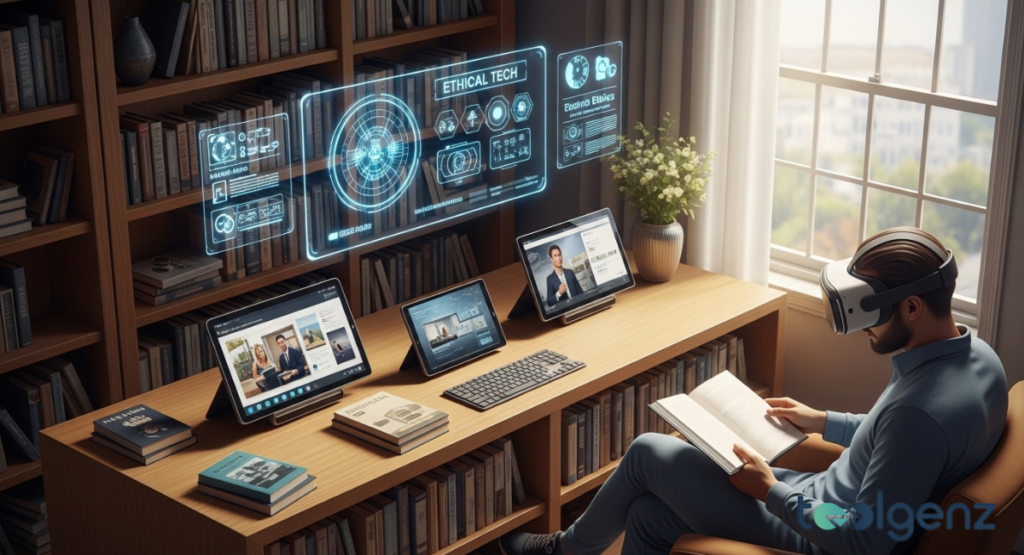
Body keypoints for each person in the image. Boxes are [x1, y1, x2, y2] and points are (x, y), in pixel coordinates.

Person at [499, 227, 1008, 555]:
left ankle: (561, 551)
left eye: (873, 313)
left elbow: (864, 536)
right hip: (823, 497)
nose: (865, 328)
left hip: (822, 530)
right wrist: (823, 420)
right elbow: (892, 445)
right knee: (648, 517)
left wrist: (771, 491)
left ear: (914, 307)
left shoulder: (919, 413)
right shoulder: (977, 358)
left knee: (648, 451)